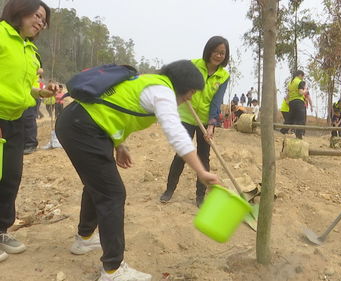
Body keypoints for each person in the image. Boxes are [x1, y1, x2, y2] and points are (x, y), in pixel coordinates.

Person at [56, 60, 218, 281]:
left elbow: (112, 108)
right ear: (182, 84)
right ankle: (113, 270)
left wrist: (120, 145)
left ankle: (84, 238)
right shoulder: (163, 91)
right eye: (191, 91)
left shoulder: (148, 82)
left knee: (98, 185)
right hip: (82, 127)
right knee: (113, 193)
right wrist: (201, 170)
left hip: (80, 123)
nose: (191, 97)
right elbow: (177, 134)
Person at [0, 0, 55, 263]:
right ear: (19, 11)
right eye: (37, 15)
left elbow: (31, 85)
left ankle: (1, 231)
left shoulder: (30, 49)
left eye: (43, 20)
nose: (40, 22)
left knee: (11, 177)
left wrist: (41, 91)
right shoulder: (1, 34)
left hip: (17, 119)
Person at [160, 36, 230, 207]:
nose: (218, 55)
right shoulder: (194, 65)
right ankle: (169, 190)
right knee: (181, 154)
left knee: (204, 158)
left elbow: (217, 100)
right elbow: (177, 80)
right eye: (215, 51)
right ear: (209, 50)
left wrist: (212, 125)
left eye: (222, 53)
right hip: (186, 116)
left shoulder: (224, 75)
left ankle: (200, 196)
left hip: (206, 120)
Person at [22, 66, 44, 155]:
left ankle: (30, 144)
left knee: (28, 117)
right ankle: (23, 142)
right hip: (22, 92)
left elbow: (41, 70)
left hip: (33, 93)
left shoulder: (33, 56)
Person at [286, 70, 306, 139]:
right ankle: (299, 136)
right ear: (300, 75)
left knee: (291, 119)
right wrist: (305, 91)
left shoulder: (290, 83)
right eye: (303, 76)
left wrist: (287, 101)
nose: (303, 78)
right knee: (300, 120)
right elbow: (301, 93)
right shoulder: (300, 82)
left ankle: (284, 131)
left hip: (292, 102)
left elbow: (287, 95)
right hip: (299, 102)